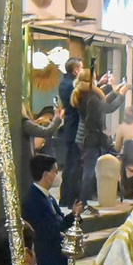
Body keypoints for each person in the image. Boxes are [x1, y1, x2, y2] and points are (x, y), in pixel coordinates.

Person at [22, 154, 81, 265]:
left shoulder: (47, 197)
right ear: (46, 174)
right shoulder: (33, 199)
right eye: (55, 172)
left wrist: (73, 215)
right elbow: (49, 228)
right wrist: (68, 219)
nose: (57, 175)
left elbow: (59, 220)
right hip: (43, 262)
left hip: (54, 262)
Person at [71, 69, 130, 207]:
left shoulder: (84, 93)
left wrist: (115, 92)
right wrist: (121, 95)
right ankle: (82, 203)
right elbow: (108, 108)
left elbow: (102, 103)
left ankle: (82, 201)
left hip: (84, 136)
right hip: (91, 138)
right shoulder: (91, 96)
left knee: (87, 170)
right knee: (89, 171)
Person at [56, 57, 86, 206]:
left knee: (69, 165)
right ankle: (71, 199)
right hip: (74, 127)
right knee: (74, 165)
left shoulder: (64, 83)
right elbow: (79, 103)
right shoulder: (71, 85)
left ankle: (65, 198)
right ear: (76, 70)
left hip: (69, 126)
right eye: (81, 67)